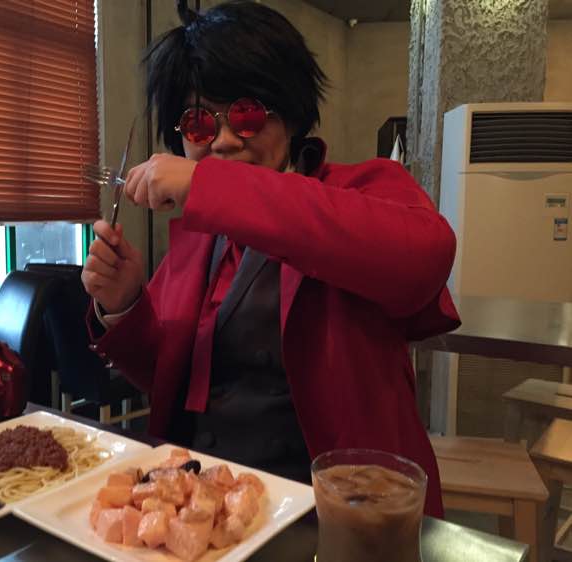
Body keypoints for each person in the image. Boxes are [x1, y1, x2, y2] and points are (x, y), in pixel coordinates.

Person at [81, 0, 460, 517]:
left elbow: (424, 256)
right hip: (208, 510)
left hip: (340, 514)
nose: (224, 141)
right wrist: (125, 304)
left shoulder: (360, 191)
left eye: (247, 115)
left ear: (292, 114)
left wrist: (213, 187)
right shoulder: (197, 241)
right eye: (198, 124)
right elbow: (171, 380)